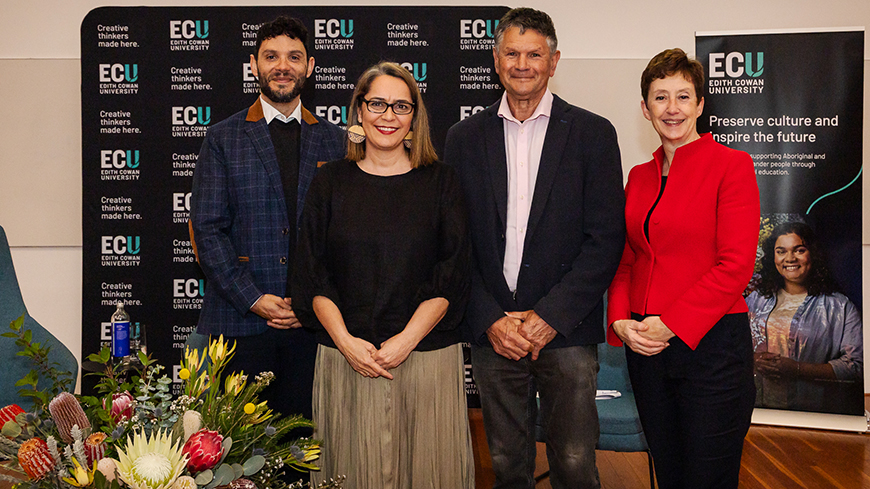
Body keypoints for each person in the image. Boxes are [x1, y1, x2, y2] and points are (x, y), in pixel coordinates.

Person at [445, 8, 625, 488]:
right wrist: (489, 318)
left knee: (573, 462)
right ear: (496, 60)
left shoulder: (593, 134)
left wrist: (548, 318)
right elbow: (454, 243)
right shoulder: (463, 138)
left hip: (565, 332)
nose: (522, 64)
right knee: (506, 462)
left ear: (554, 60)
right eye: (512, 53)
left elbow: (605, 239)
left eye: (534, 54)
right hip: (493, 330)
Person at [293, 61, 474, 488]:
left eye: (400, 106)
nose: (387, 116)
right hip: (347, 360)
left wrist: (405, 341)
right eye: (377, 103)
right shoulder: (330, 182)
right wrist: (347, 343)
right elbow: (311, 274)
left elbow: (452, 273)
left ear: (415, 116)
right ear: (359, 110)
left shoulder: (442, 182)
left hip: (426, 358)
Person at [606, 48, 760, 489]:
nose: (672, 108)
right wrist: (619, 320)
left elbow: (735, 266)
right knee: (670, 473)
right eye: (660, 97)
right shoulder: (638, 176)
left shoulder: (733, 166)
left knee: (707, 477)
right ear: (644, 108)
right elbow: (627, 259)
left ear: (699, 105)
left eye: (682, 96)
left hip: (712, 349)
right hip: (646, 352)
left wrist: (669, 325)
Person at [189, 16, 346, 424]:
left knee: (306, 449)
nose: (283, 66)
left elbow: (344, 235)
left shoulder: (336, 139)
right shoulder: (222, 138)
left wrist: (311, 300)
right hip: (239, 323)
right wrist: (255, 300)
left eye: (294, 57)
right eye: (271, 56)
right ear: (254, 65)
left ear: (310, 66)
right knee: (236, 455)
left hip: (313, 327)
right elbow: (207, 230)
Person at [746, 221, 863, 414]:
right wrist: (754, 360)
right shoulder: (754, 300)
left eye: (799, 250)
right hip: (757, 414)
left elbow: (856, 366)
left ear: (813, 254)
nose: (789, 258)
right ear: (773, 257)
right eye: (781, 251)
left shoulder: (839, 306)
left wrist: (797, 369)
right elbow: (731, 350)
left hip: (812, 416)